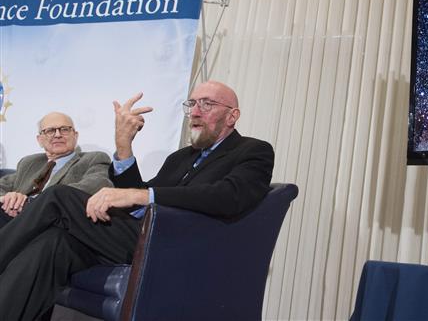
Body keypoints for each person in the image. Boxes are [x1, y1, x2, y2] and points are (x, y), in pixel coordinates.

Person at [0, 81, 274, 320]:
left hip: (174, 245)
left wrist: (140, 194)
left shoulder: (253, 150)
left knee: (58, 196)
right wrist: (123, 145)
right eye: (192, 103)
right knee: (52, 244)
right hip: (136, 235)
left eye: (207, 103)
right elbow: (137, 196)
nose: (196, 111)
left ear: (232, 115)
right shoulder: (180, 157)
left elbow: (229, 197)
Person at [0, 112, 112, 227]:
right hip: (14, 218)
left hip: (55, 224)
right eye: (50, 131)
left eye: (64, 129)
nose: (58, 135)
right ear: (40, 140)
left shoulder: (93, 158)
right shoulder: (29, 162)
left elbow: (98, 184)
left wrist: (31, 203)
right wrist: (8, 199)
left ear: (75, 135)